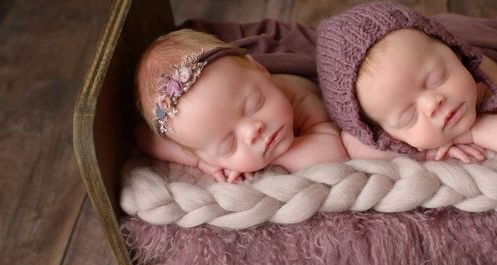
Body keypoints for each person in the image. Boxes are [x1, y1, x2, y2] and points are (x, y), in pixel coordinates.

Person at [315, 0, 497, 161]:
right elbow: (354, 145)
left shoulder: (482, 76)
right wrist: (426, 151)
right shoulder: (377, 131)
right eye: (407, 116)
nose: (433, 103)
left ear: (454, 51)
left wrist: (469, 134)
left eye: (436, 79)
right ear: (383, 133)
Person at [134, 29, 351, 183]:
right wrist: (201, 162)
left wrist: (268, 159)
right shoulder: (194, 132)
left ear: (260, 70)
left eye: (254, 105)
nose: (252, 132)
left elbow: (332, 153)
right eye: (228, 145)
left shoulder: (297, 96)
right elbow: (145, 136)